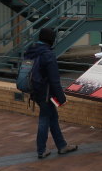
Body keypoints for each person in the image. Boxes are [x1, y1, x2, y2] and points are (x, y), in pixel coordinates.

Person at [24, 27, 78, 159]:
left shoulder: (31, 51)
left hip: (34, 91)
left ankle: (62, 146)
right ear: (52, 40)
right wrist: (62, 98)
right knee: (44, 119)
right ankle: (41, 150)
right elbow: (54, 80)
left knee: (53, 118)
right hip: (46, 94)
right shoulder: (48, 55)